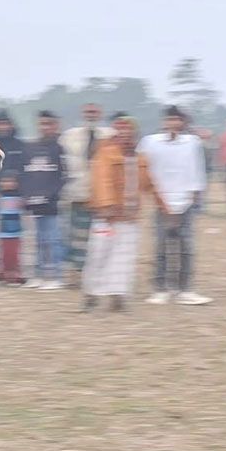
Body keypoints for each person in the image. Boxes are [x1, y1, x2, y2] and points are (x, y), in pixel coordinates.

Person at [82, 113, 165, 311]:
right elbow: (101, 181)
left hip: (129, 219)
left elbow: (150, 184)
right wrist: (107, 205)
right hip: (107, 218)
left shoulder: (141, 159)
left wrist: (163, 206)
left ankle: (117, 297)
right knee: (98, 255)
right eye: (121, 129)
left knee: (123, 259)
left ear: (135, 133)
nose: (125, 133)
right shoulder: (105, 154)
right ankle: (91, 295)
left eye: (129, 130)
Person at [138, 105, 212, 305]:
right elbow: (141, 167)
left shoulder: (192, 142)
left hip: (185, 201)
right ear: (164, 122)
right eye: (170, 120)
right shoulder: (150, 142)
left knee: (186, 248)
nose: (173, 124)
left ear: (182, 122)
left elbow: (197, 170)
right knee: (161, 247)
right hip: (161, 201)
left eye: (177, 120)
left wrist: (196, 195)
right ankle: (160, 288)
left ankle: (185, 289)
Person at [60, 103, 114, 286]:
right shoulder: (70, 136)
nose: (91, 115)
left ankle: (101, 275)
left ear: (100, 114)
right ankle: (76, 275)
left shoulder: (109, 136)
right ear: (83, 113)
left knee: (102, 237)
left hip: (103, 197)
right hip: (78, 194)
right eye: (88, 112)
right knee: (76, 238)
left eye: (94, 112)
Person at [21, 110, 66, 291]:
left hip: (52, 202)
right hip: (35, 202)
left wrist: (52, 194)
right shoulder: (32, 147)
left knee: (53, 239)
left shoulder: (59, 148)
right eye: (42, 124)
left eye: (49, 124)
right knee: (38, 239)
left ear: (55, 126)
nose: (45, 127)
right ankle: (39, 274)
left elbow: (63, 176)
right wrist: (28, 196)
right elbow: (26, 174)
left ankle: (56, 276)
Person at [0, 172, 25, 285]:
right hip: (3, 232)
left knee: (15, 254)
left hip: (16, 232)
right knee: (4, 254)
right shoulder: (0, 198)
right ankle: (4, 273)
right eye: (4, 182)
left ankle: (15, 273)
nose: (7, 184)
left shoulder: (19, 197)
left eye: (10, 181)